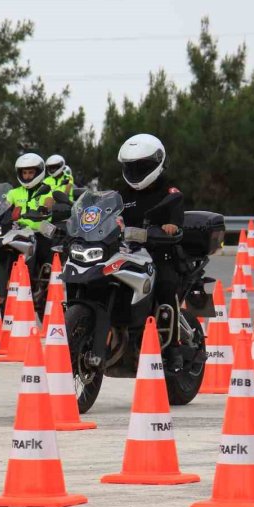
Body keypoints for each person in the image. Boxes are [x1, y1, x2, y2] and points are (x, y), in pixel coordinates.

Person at [91, 134, 183, 367]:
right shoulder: (122, 193)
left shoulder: (169, 192)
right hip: (127, 250)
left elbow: (175, 216)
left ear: (156, 164)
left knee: (166, 285)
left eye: (141, 166)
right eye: (131, 166)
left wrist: (170, 227)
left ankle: (174, 349)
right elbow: (107, 213)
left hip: (160, 252)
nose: (135, 171)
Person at [8, 152, 54, 272]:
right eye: (24, 173)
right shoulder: (14, 192)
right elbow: (3, 205)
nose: (27, 176)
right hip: (19, 231)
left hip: (39, 230)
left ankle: (45, 276)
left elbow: (49, 202)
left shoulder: (45, 190)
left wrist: (44, 208)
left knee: (45, 250)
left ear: (38, 172)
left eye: (31, 172)